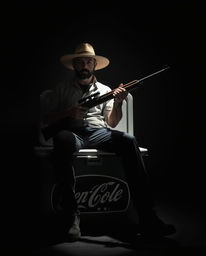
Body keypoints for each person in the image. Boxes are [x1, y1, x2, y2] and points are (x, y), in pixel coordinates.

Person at [41, 43, 176, 241]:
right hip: (72, 133)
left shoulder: (105, 90)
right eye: (80, 62)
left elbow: (112, 122)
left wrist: (119, 102)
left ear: (94, 65)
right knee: (61, 139)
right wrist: (68, 113)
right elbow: (47, 119)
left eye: (88, 61)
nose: (84, 65)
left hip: (98, 133)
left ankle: (148, 218)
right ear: (74, 66)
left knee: (129, 140)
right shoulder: (62, 89)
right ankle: (71, 216)